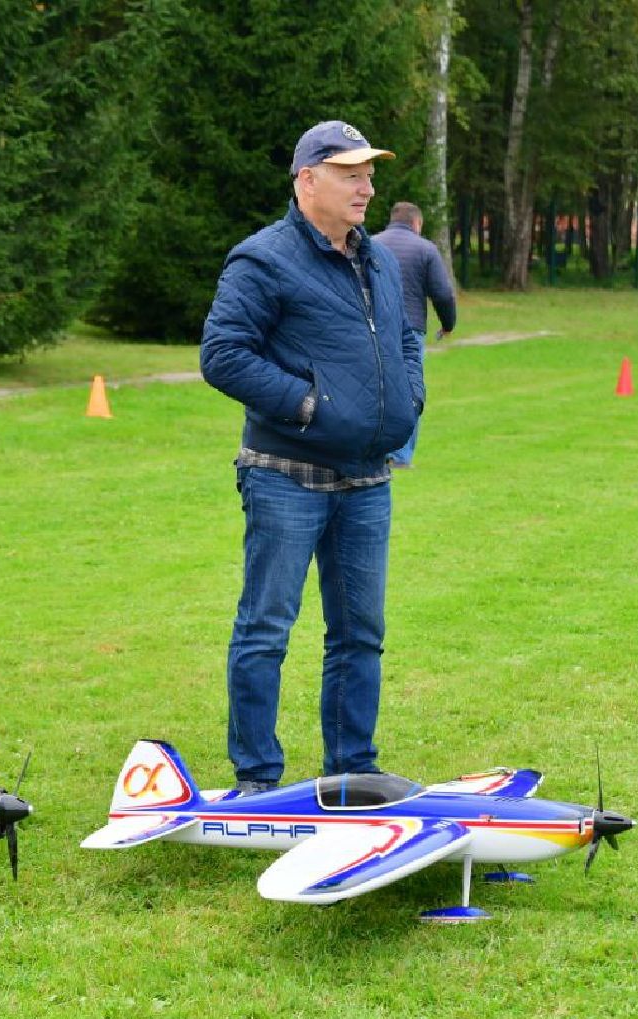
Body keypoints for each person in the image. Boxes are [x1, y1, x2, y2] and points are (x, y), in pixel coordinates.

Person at [199, 120, 424, 793]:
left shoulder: (376, 257)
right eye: (350, 174)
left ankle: (352, 772)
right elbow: (222, 355)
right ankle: (258, 781)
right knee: (266, 629)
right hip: (284, 480)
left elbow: (406, 339)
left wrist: (408, 399)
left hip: (366, 481)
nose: (367, 186)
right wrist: (306, 406)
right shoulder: (261, 260)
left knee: (359, 634)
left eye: (369, 174)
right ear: (307, 181)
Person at [371, 201, 456, 467]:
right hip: (411, 330)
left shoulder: (371, 244)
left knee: (374, 388)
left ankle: (372, 449)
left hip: (373, 328)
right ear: (417, 223)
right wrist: (448, 324)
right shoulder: (426, 249)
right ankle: (400, 455)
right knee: (409, 390)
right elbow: (442, 293)